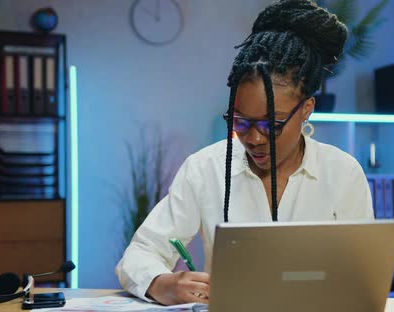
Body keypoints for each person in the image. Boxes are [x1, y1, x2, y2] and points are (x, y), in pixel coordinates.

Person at [115, 0, 374, 305]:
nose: (253, 138)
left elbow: (363, 276)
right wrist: (162, 283)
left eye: (271, 124)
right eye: (240, 121)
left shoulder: (343, 173)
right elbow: (139, 254)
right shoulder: (205, 168)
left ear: (306, 110)